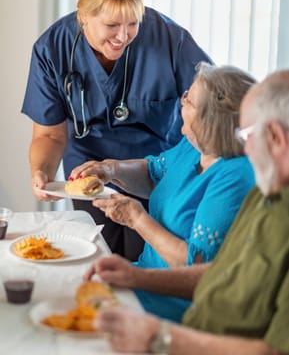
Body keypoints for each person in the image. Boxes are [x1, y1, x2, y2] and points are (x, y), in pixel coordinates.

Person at [83, 69, 289, 354]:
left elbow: (272, 350)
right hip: (183, 323)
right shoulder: (268, 196)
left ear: (276, 138)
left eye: (246, 133)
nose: (245, 148)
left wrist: (161, 338)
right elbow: (220, 274)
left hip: (186, 330)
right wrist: (135, 276)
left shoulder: (241, 176)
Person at [21, 0, 212, 261]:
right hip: (90, 176)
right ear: (84, 17)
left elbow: (214, 102)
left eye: (133, 23)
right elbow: (49, 133)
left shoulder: (170, 40)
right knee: (99, 260)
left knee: (148, 263)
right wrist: (41, 173)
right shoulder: (52, 49)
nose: (123, 36)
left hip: (156, 175)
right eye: (112, 25)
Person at [70, 62, 256, 322]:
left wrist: (137, 219)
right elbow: (153, 173)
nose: (182, 100)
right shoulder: (194, 146)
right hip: (143, 279)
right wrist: (111, 169)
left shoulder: (235, 175)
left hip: (175, 305)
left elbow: (197, 268)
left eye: (189, 100)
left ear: (210, 119)